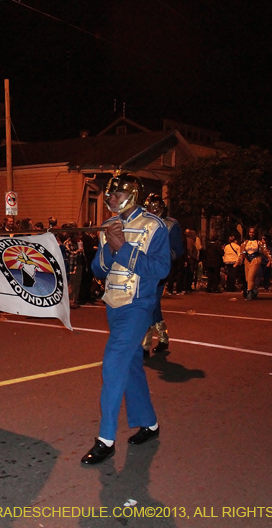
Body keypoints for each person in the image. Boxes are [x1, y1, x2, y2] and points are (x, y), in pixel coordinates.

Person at [81, 174, 170, 465]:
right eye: (109, 196)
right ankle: (150, 423)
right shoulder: (112, 224)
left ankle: (106, 439)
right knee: (131, 364)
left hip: (138, 305)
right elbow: (99, 269)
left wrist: (123, 246)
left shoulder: (154, 225)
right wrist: (108, 242)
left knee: (114, 363)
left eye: (116, 196)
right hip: (114, 305)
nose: (110, 200)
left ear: (131, 195)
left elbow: (160, 269)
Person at [140, 193, 183, 357]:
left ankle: (145, 345)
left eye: (154, 208)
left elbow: (177, 249)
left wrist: (161, 257)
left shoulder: (170, 225)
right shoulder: (142, 224)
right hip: (143, 267)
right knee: (151, 304)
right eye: (149, 207)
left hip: (159, 269)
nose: (151, 211)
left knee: (150, 303)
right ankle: (163, 337)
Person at [236, 226, 270, 300]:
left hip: (256, 259)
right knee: (248, 279)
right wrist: (238, 261)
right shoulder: (245, 243)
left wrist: (270, 259)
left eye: (253, 232)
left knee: (251, 277)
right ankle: (254, 290)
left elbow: (265, 251)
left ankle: (249, 293)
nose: (252, 234)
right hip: (247, 260)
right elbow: (242, 253)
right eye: (250, 232)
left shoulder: (259, 242)